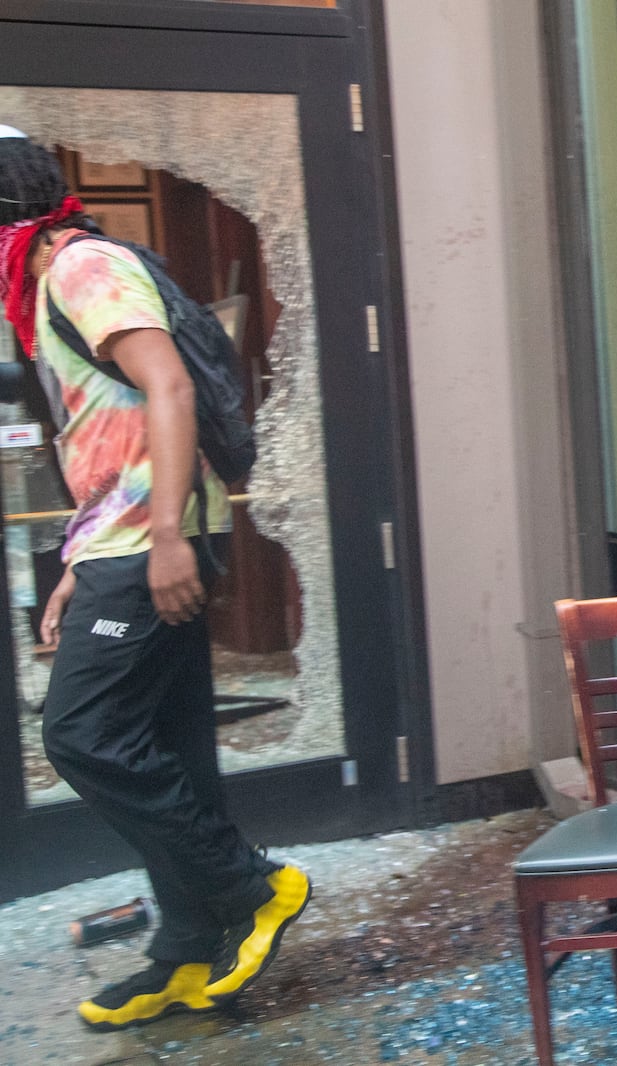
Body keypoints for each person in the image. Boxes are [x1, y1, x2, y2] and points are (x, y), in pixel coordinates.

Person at [0, 133, 311, 1030]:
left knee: (81, 734)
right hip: (124, 541)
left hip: (152, 539)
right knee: (169, 747)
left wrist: (166, 538)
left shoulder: (82, 268)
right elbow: (108, 438)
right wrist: (77, 565)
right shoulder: (52, 281)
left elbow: (167, 390)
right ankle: (184, 948)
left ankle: (251, 889)